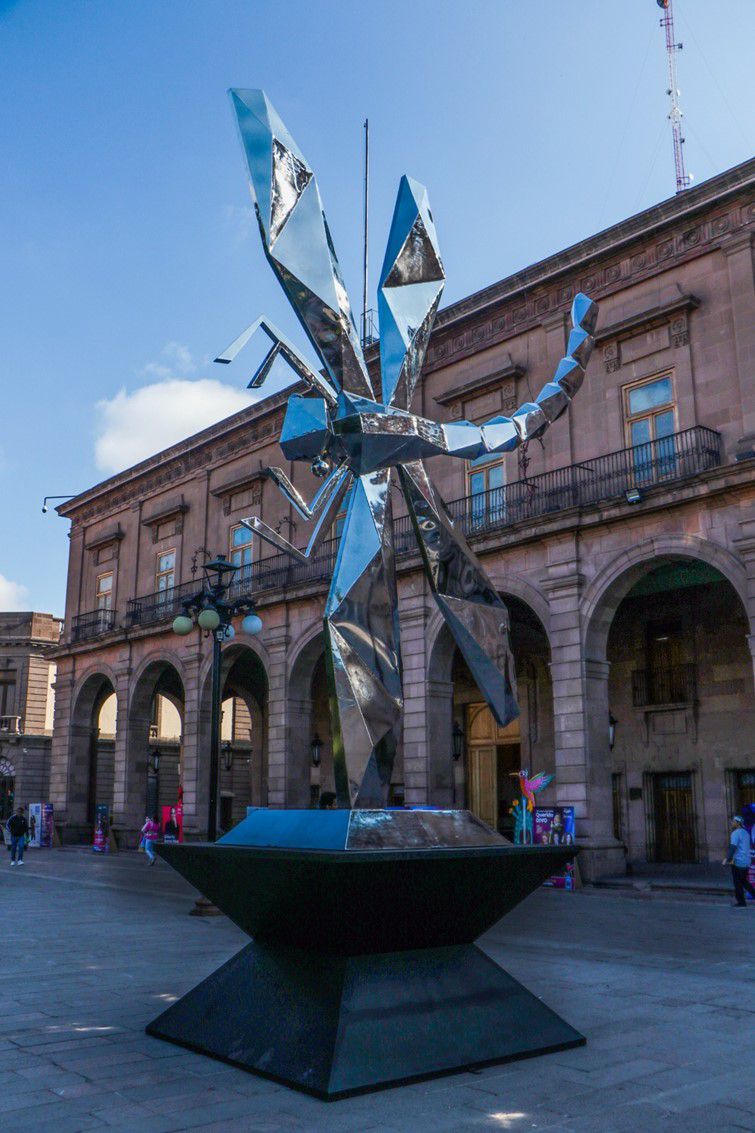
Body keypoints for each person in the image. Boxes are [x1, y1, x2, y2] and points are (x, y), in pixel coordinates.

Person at [723, 815, 755, 908]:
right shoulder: (746, 833)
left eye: (733, 821)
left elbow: (733, 847)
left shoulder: (735, 833)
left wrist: (727, 859)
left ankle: (741, 902)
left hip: (737, 861)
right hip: (746, 860)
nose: (732, 823)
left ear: (737, 823)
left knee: (737, 882)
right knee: (744, 881)